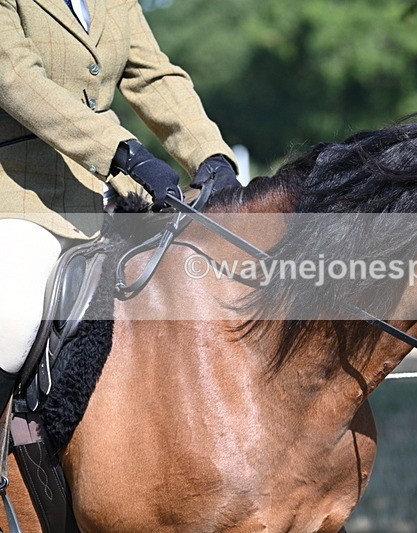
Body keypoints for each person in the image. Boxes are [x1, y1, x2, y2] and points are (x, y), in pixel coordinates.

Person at [0, 0, 241, 406]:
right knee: (13, 320)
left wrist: (211, 156)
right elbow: (15, 78)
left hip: (113, 195)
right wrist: (124, 152)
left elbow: (153, 76)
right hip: (23, 196)